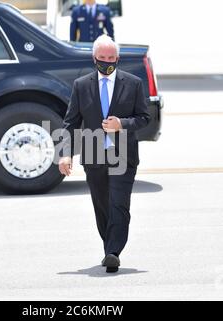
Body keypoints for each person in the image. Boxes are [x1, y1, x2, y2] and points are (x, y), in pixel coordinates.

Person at [58, 35, 150, 273]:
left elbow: (144, 118)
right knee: (102, 205)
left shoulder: (133, 83)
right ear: (94, 58)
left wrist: (122, 124)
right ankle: (108, 245)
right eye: (102, 58)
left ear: (117, 59)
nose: (106, 62)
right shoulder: (81, 85)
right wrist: (65, 154)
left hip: (123, 155)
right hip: (93, 154)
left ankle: (113, 252)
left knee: (119, 204)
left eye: (111, 58)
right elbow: (70, 123)